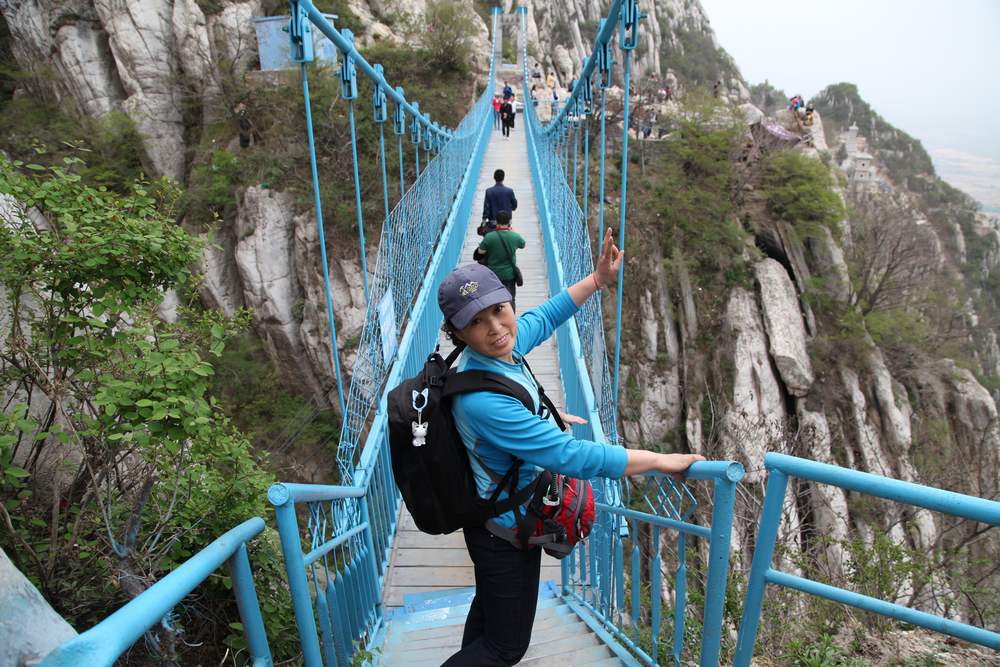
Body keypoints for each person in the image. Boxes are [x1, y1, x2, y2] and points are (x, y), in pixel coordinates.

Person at [437, 229, 705, 666]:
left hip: (495, 516)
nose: (496, 328)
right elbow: (573, 457)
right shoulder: (484, 402)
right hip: (502, 532)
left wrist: (597, 279)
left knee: (490, 615)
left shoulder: (499, 351)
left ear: (508, 302)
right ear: (457, 333)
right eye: (476, 322)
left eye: (499, 311)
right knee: (505, 646)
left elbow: (543, 317)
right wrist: (656, 460)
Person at [476, 211, 524, 308]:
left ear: (496, 222)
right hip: (509, 275)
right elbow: (522, 244)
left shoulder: (489, 237)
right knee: (510, 299)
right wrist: (513, 230)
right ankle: (511, 320)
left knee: (493, 301)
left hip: (493, 275)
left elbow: (480, 252)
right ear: (509, 222)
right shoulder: (514, 237)